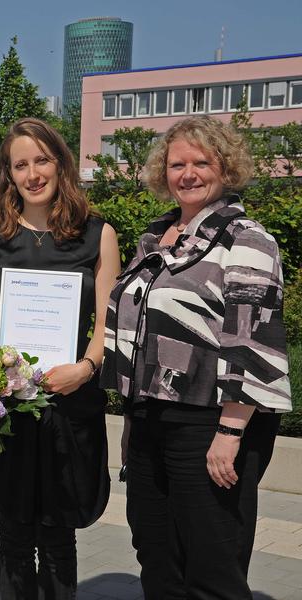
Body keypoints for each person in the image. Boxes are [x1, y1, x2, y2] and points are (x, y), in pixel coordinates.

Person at [100, 115, 292, 599]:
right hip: (150, 421)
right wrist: (130, 421)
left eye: (201, 162)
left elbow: (252, 342)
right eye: (177, 163)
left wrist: (229, 434)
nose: (188, 173)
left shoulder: (245, 239)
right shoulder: (156, 239)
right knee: (156, 555)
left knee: (211, 567)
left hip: (209, 425)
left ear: (225, 167)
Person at [0, 117, 120, 599]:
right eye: (20, 165)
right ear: (8, 175)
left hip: (68, 404)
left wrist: (87, 369)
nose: (33, 174)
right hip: (6, 409)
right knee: (11, 536)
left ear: (60, 163)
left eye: (41, 160)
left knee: (57, 536)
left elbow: (109, 327)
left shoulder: (97, 236)